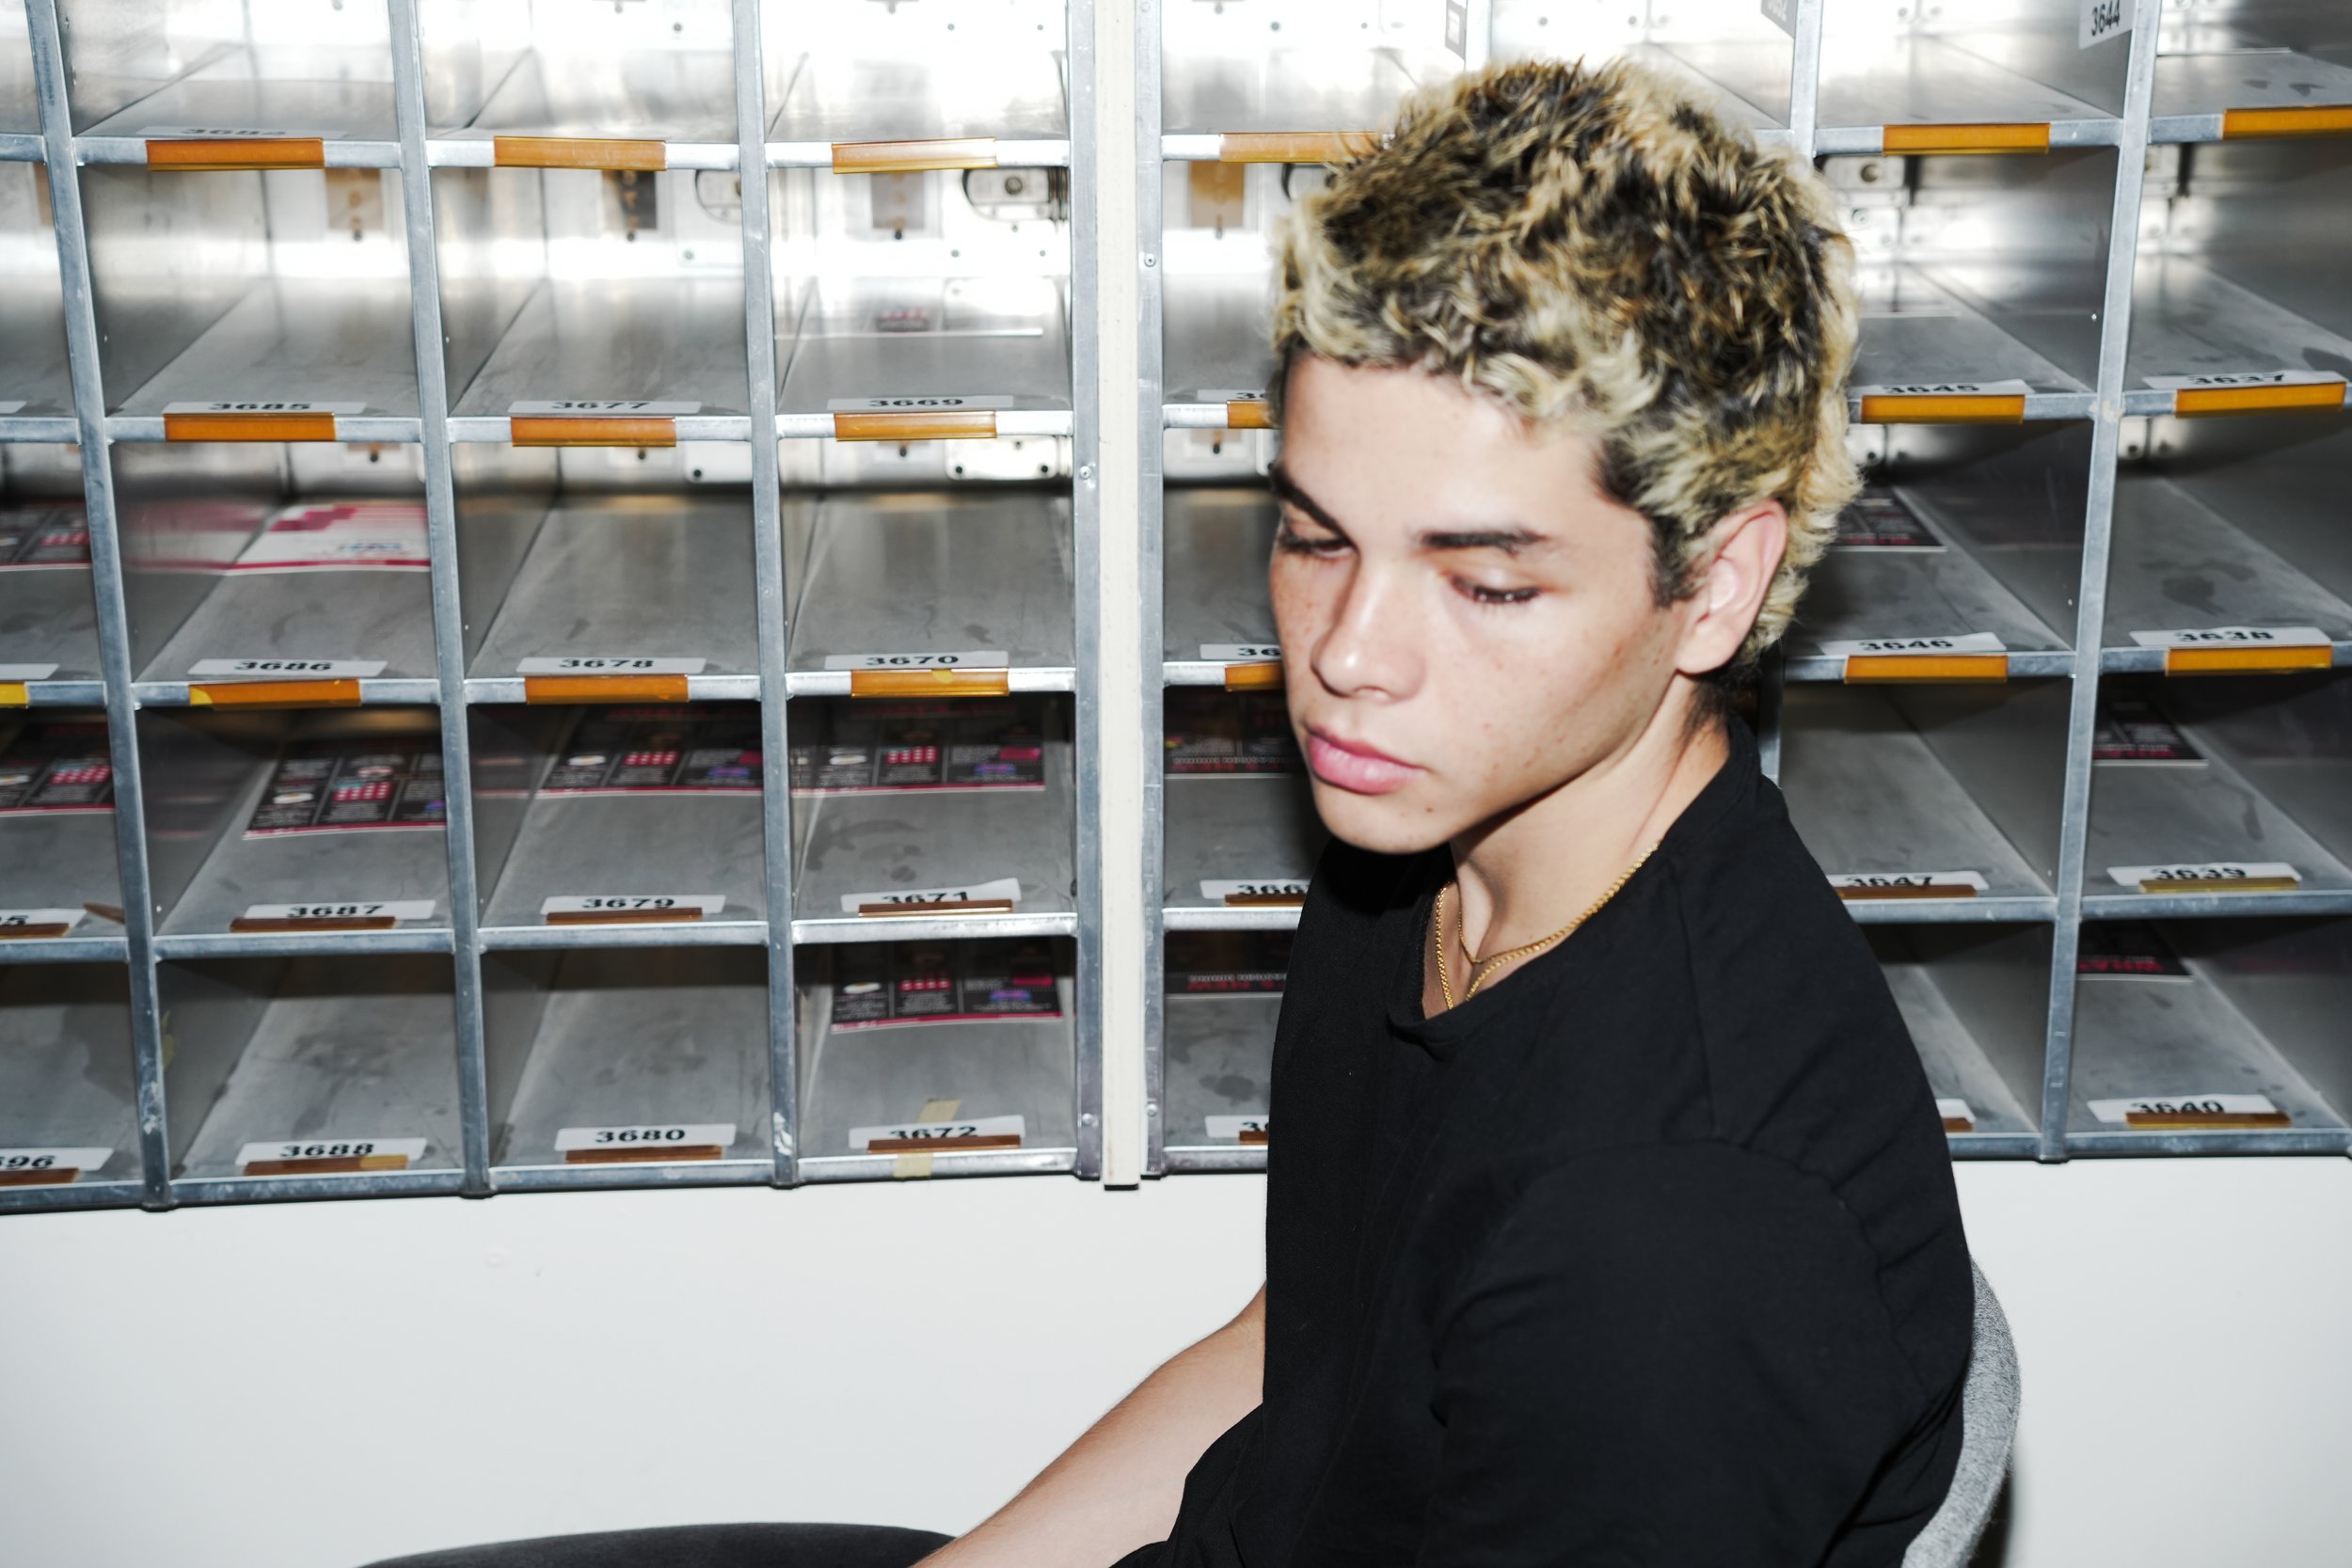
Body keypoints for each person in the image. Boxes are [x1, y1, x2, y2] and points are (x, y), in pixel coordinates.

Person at [373, 53, 1972, 1568]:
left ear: (1718, 587)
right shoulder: (1427, 853)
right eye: (1316, 536)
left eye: (1486, 580)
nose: (1346, 658)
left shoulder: (1676, 1247)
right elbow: (1317, 1345)